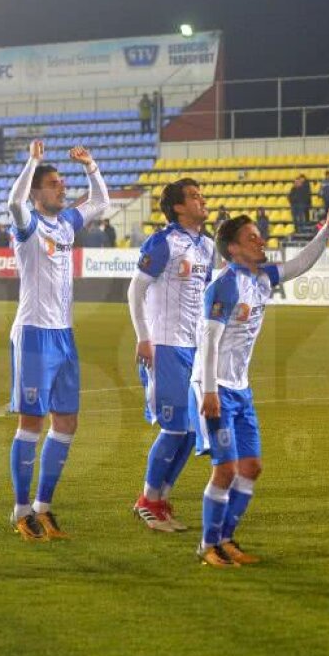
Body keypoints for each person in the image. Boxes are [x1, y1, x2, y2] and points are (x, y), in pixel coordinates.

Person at [191, 203, 329, 565]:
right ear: (233, 248)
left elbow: (300, 264)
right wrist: (211, 390)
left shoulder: (261, 278)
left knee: (251, 467)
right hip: (214, 386)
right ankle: (208, 545)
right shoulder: (225, 285)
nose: (261, 241)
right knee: (226, 469)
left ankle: (226, 538)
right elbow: (209, 340)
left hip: (240, 389)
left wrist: (328, 229)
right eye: (252, 238)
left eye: (259, 236)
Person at [5, 139, 109, 541]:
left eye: (63, 183)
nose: (62, 188)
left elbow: (101, 201)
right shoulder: (28, 225)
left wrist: (90, 165)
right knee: (31, 422)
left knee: (66, 421)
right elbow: (14, 203)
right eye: (54, 184)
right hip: (34, 332)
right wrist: (32, 163)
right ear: (37, 192)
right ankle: (20, 511)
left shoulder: (66, 223)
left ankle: (43, 507)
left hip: (63, 333)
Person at [126, 178, 215, 533]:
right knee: (175, 427)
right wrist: (143, 338)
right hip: (164, 346)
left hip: (194, 348)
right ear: (178, 207)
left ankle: (160, 500)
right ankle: (147, 501)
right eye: (194, 196)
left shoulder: (207, 246)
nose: (202, 200)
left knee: (191, 432)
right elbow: (136, 290)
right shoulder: (163, 242)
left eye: (201, 194)